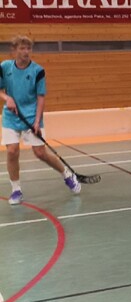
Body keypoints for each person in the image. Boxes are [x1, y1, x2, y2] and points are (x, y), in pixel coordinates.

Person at [1, 35, 81, 205]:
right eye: (22, 48)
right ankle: (16, 190)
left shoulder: (38, 71)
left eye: (28, 48)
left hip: (31, 116)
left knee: (40, 153)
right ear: (14, 50)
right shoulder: (5, 67)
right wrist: (7, 98)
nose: (26, 52)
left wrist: (37, 121)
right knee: (12, 151)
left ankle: (66, 174)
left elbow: (41, 97)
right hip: (11, 116)